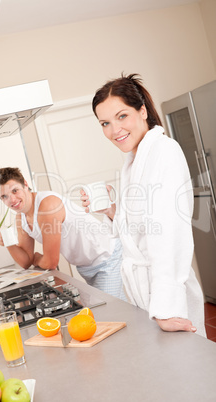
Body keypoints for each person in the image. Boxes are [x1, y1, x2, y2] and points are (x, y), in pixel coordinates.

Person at [81, 74, 206, 336]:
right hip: (147, 292)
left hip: (168, 295)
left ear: (142, 110)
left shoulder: (164, 152)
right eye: (105, 123)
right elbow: (138, 228)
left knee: (187, 373)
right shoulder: (133, 161)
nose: (114, 130)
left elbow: (167, 234)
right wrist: (111, 210)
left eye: (122, 116)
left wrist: (166, 309)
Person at [0, 167, 127, 301]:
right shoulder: (21, 218)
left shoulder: (48, 205)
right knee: (106, 314)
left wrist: (37, 259)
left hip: (107, 257)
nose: (12, 199)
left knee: (113, 313)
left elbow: (51, 262)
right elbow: (26, 261)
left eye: (15, 191)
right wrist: (8, 243)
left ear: (25, 185)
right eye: (5, 196)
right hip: (86, 266)